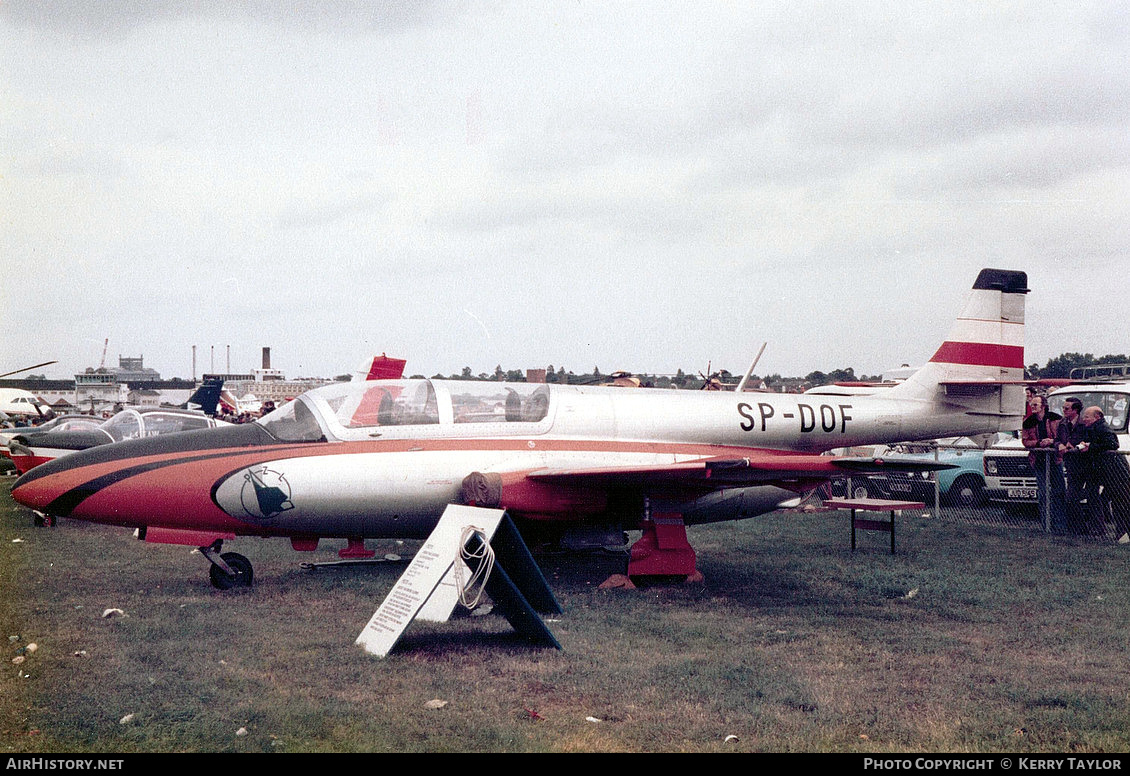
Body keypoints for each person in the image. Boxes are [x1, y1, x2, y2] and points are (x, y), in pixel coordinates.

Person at [1078, 406, 1130, 542]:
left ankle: (1123, 535)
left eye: (1087, 416)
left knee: (1120, 504)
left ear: (1097, 417)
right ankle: (1120, 535)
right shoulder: (1093, 429)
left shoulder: (1103, 428)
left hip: (1117, 473)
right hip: (1108, 473)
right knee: (1110, 502)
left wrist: (1091, 447)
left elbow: (1113, 444)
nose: (1084, 419)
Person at [1022, 394, 1067, 533]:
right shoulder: (1028, 422)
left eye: (1035, 405)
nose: (1032, 407)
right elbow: (1025, 441)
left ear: (1043, 406)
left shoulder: (1055, 419)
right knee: (1043, 493)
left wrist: (1052, 441)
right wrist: (1038, 443)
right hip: (1039, 461)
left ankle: (1060, 525)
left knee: (1059, 491)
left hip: (1055, 459)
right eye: (1031, 405)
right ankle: (1046, 525)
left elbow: (1062, 437)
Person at [1056, 397, 1090, 534]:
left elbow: (1088, 440)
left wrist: (1075, 445)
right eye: (1063, 408)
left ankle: (1088, 528)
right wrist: (1060, 445)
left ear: (1075, 410)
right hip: (1071, 464)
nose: (1063, 410)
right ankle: (1077, 528)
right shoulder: (1062, 423)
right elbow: (1057, 439)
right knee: (1071, 497)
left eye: (1066, 408)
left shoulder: (1084, 423)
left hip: (1085, 464)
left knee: (1089, 496)